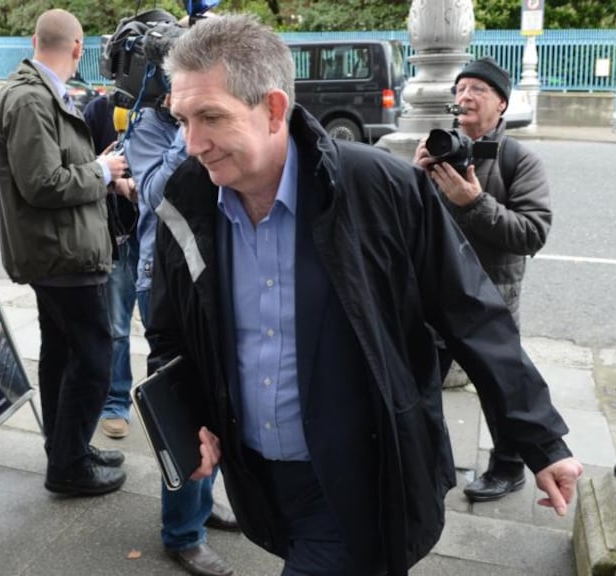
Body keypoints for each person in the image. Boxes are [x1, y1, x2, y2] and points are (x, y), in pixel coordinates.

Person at [145, 14, 584, 575]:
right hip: (259, 479)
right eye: (182, 119)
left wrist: (540, 440)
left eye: (211, 117)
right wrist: (187, 418)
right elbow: (170, 332)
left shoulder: (381, 189)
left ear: (274, 109)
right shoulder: (187, 201)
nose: (193, 143)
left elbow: (472, 314)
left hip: (363, 478)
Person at [0, 8, 131, 497]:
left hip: (57, 250)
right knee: (93, 359)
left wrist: (104, 177)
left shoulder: (40, 92)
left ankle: (66, 449)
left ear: (35, 40)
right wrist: (102, 171)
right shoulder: (31, 99)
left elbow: (55, 169)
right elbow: (43, 184)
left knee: (62, 354)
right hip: (63, 255)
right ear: (77, 48)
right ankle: (69, 466)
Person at [413, 57, 553, 503]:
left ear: (501, 103)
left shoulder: (518, 159)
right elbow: (406, 221)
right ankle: (419, 463)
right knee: (419, 384)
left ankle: (509, 467)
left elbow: (532, 233)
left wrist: (474, 201)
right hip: (435, 293)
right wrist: (414, 178)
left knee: (499, 385)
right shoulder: (437, 149)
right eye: (461, 88)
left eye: (478, 89)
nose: (465, 96)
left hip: (490, 296)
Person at [122, 104, 237, 576]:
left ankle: (201, 502)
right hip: (164, 279)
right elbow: (154, 194)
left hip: (207, 274)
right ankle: (183, 533)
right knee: (184, 402)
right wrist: (184, 132)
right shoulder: (149, 126)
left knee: (217, 398)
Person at [81, 94, 139, 441]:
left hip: (161, 237)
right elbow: (81, 169)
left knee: (169, 328)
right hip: (118, 237)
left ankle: (174, 405)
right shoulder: (99, 111)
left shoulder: (169, 109)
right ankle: (116, 402)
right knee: (116, 326)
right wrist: (114, 181)